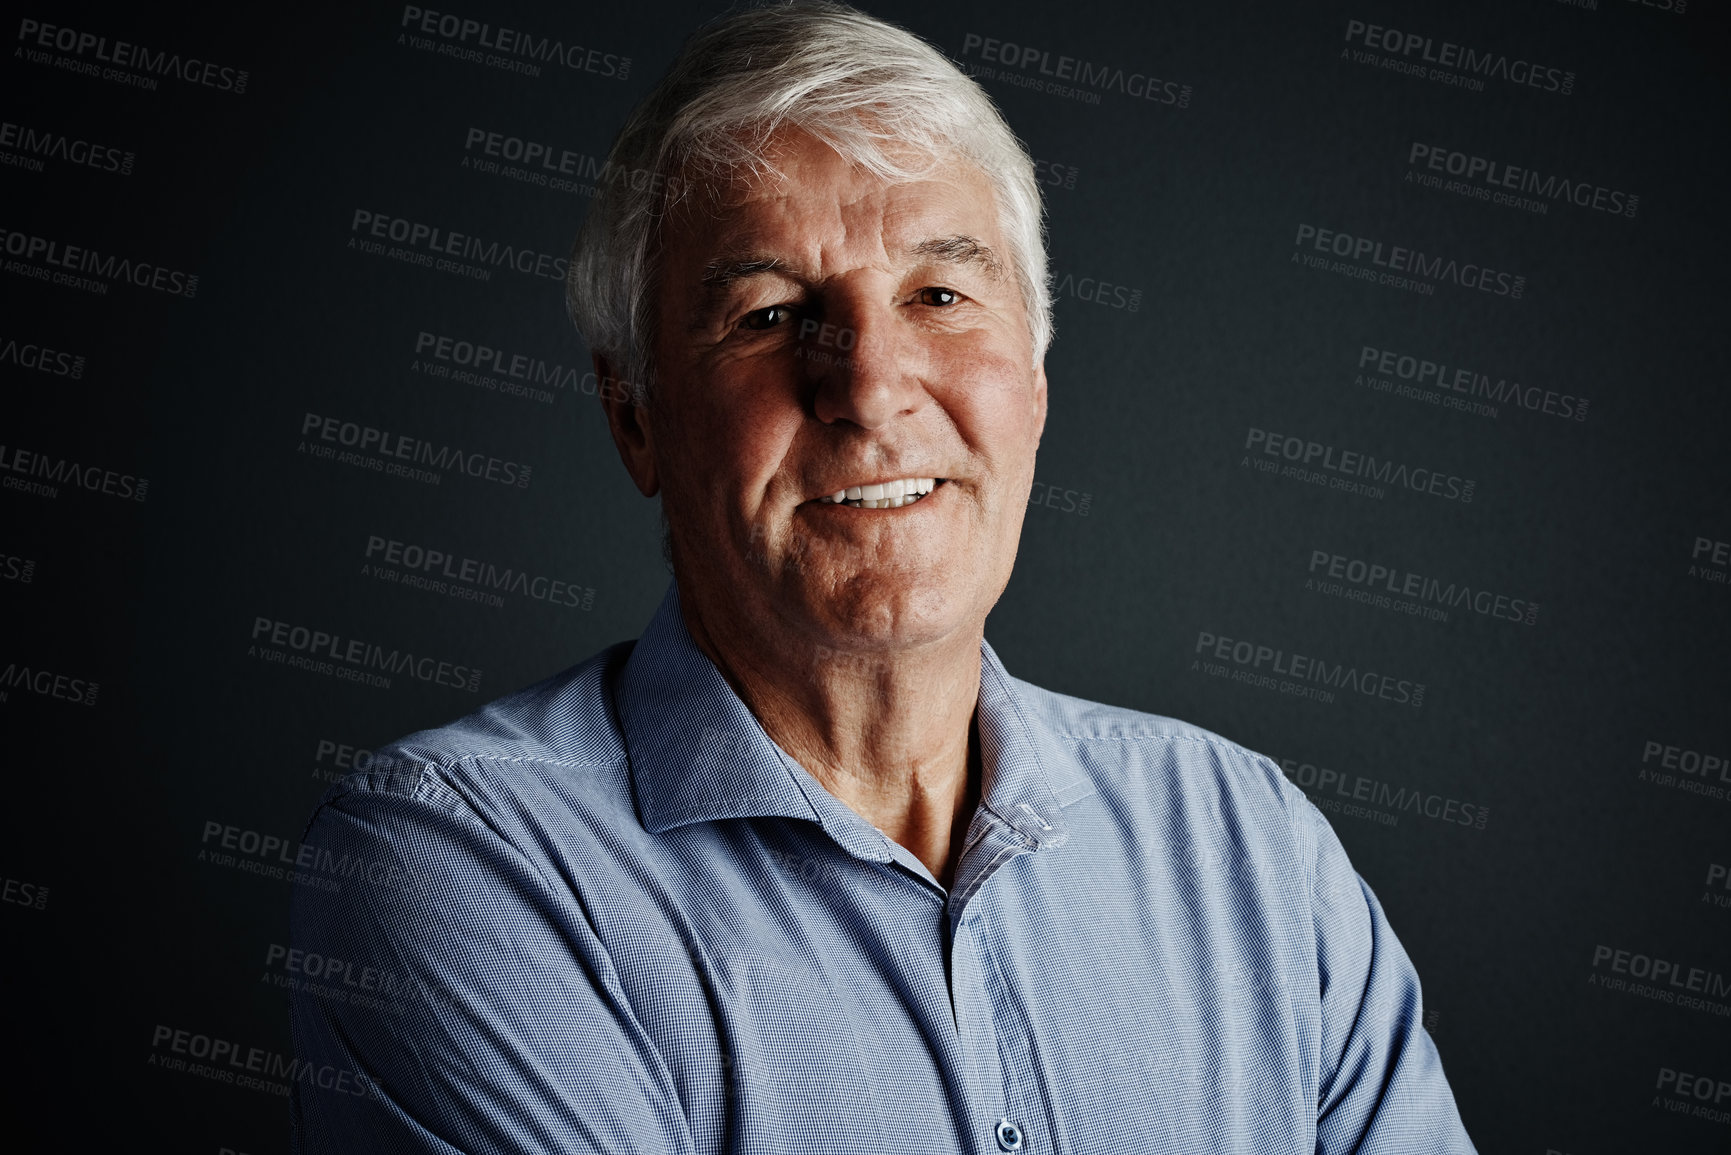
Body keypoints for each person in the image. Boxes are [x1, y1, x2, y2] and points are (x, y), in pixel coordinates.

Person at [289, 3, 1477, 1150]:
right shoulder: (471, 868)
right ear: (636, 418)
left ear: (1037, 384)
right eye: (767, 315)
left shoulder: (1248, 846)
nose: (868, 388)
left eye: (941, 296)